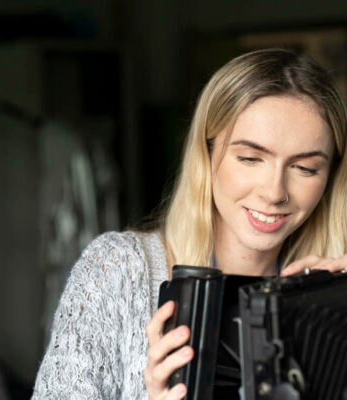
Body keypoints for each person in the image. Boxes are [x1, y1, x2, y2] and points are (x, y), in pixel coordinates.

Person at [31, 48, 347, 400]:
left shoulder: (335, 292)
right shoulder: (119, 271)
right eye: (249, 158)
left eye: (305, 168)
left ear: (331, 176)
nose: (275, 193)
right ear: (206, 153)